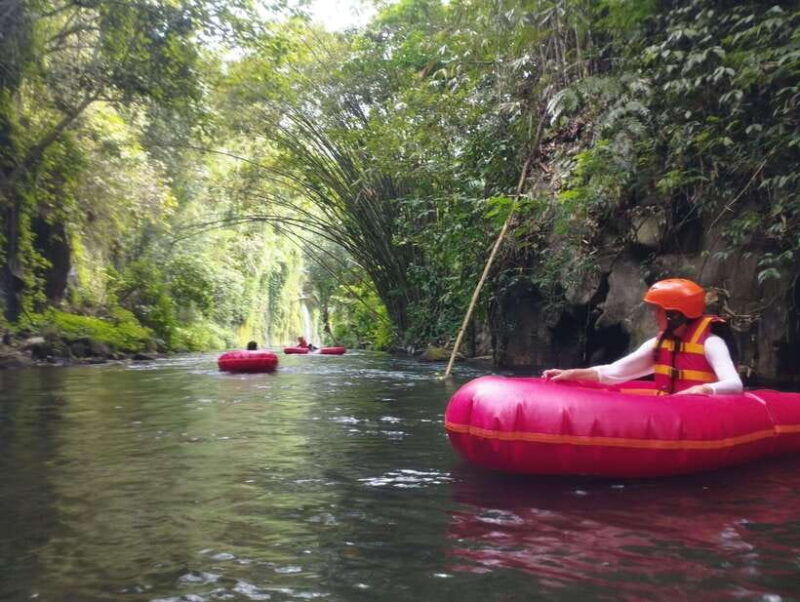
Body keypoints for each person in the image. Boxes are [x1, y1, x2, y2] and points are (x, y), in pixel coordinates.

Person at [543, 278, 743, 395]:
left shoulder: (711, 343)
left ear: (676, 315)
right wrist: (571, 373)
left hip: (701, 413)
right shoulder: (658, 344)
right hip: (671, 410)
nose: (654, 315)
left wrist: (701, 390)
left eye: (659, 310)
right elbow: (614, 372)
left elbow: (734, 384)